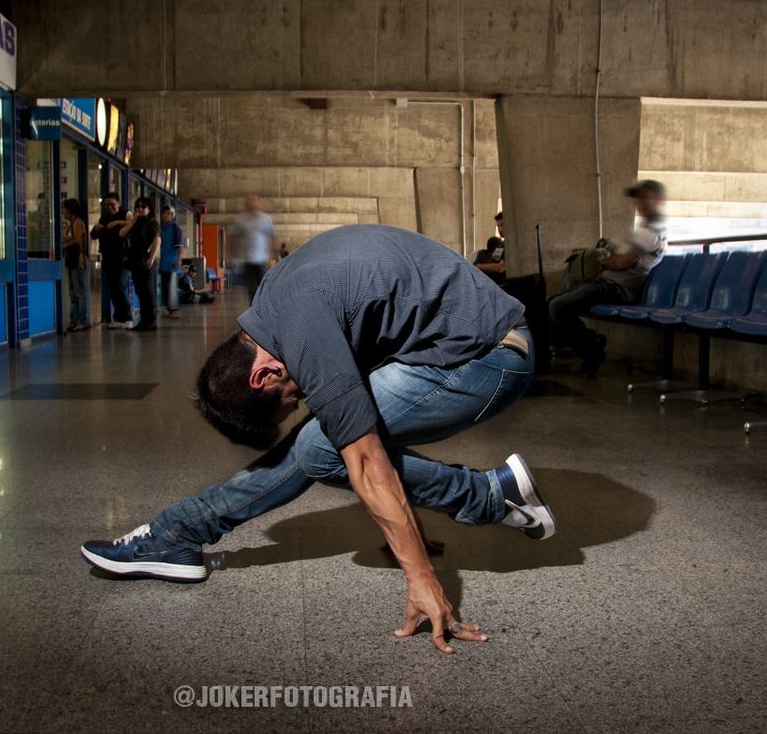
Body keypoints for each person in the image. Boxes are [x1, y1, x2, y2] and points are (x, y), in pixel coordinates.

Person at [82, 224, 555, 655]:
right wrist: (401, 519)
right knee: (330, 434)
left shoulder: (299, 323)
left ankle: (492, 497)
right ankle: (180, 532)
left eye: (292, 399)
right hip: (461, 339)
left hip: (493, 356)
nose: (302, 398)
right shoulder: (274, 302)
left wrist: (421, 579)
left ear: (262, 374)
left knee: (318, 446)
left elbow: (367, 461)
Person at [547, 180, 668, 377]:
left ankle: (589, 348)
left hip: (616, 288)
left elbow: (622, 262)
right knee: (551, 301)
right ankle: (583, 347)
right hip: (608, 284)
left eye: (646, 197)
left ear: (659, 200)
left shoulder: (651, 232)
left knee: (557, 305)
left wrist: (604, 262)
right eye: (639, 198)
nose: (640, 203)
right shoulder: (646, 230)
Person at [229, 192, 277, 304]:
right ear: (246, 203)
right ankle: (254, 310)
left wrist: (277, 255)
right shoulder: (240, 219)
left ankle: (265, 308)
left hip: (262, 259)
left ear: (259, 202)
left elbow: (272, 237)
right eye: (249, 200)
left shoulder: (266, 219)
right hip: (247, 260)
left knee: (265, 286)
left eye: (254, 200)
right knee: (250, 288)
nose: (251, 202)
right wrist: (230, 255)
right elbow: (232, 238)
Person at [121, 196, 161, 331]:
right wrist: (132, 222)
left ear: (149, 209)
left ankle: (151, 320)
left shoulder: (151, 223)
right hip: (135, 261)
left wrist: (151, 258)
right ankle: (144, 321)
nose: (139, 209)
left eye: (143, 207)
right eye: (137, 206)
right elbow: (122, 234)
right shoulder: (136, 223)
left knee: (147, 290)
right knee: (140, 291)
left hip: (146, 261)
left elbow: (157, 240)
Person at [92, 193, 132, 329]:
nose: (110, 208)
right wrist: (96, 229)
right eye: (107, 205)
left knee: (120, 285)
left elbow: (133, 223)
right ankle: (118, 316)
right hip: (108, 256)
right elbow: (94, 235)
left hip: (122, 256)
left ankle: (127, 316)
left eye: (112, 205)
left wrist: (118, 223)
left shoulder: (125, 214)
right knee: (112, 287)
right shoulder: (103, 218)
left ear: (118, 203)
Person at [61, 198, 91, 333]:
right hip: (71, 260)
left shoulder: (78, 222)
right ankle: (73, 320)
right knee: (72, 291)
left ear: (70, 210)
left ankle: (83, 320)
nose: (62, 212)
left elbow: (78, 240)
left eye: (64, 209)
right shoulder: (71, 224)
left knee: (80, 291)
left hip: (78, 260)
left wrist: (64, 245)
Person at [159, 205, 184, 319]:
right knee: (166, 288)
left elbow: (180, 246)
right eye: (164, 213)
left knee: (171, 287)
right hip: (165, 264)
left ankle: (175, 310)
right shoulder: (164, 229)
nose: (165, 215)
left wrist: (178, 260)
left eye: (168, 213)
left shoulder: (175, 228)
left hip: (172, 264)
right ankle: (170, 310)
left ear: (172, 216)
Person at [474, 212, 507, 283]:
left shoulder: (511, 246)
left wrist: (478, 266)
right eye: (498, 226)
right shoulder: (501, 245)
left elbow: (500, 267)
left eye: (502, 225)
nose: (500, 229)